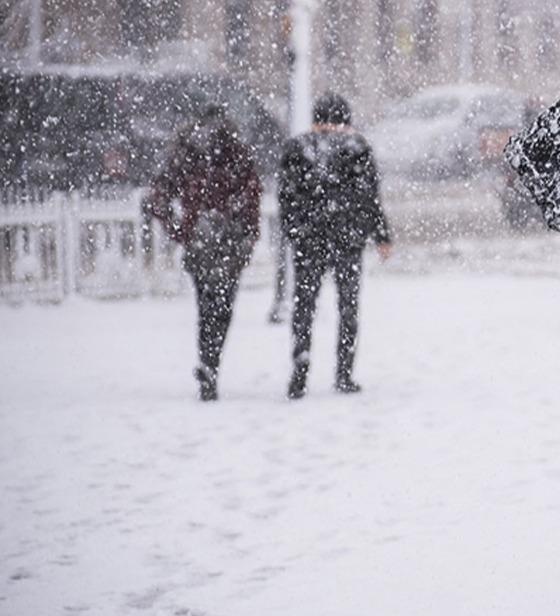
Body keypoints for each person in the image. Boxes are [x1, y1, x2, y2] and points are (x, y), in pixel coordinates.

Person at [144, 104, 262, 401]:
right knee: (223, 307)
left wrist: (180, 229)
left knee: (206, 305)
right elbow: (252, 197)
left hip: (199, 239)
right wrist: (248, 234)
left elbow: (158, 196)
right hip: (230, 240)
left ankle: (208, 362)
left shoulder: (186, 153)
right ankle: (212, 362)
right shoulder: (237, 153)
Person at [278, 93, 392, 399]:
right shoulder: (357, 148)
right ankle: (344, 372)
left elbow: (286, 197)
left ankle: (300, 361)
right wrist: (381, 235)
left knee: (304, 305)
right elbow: (369, 198)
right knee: (348, 307)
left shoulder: (296, 148)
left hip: (309, 240)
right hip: (347, 240)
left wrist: (295, 231)